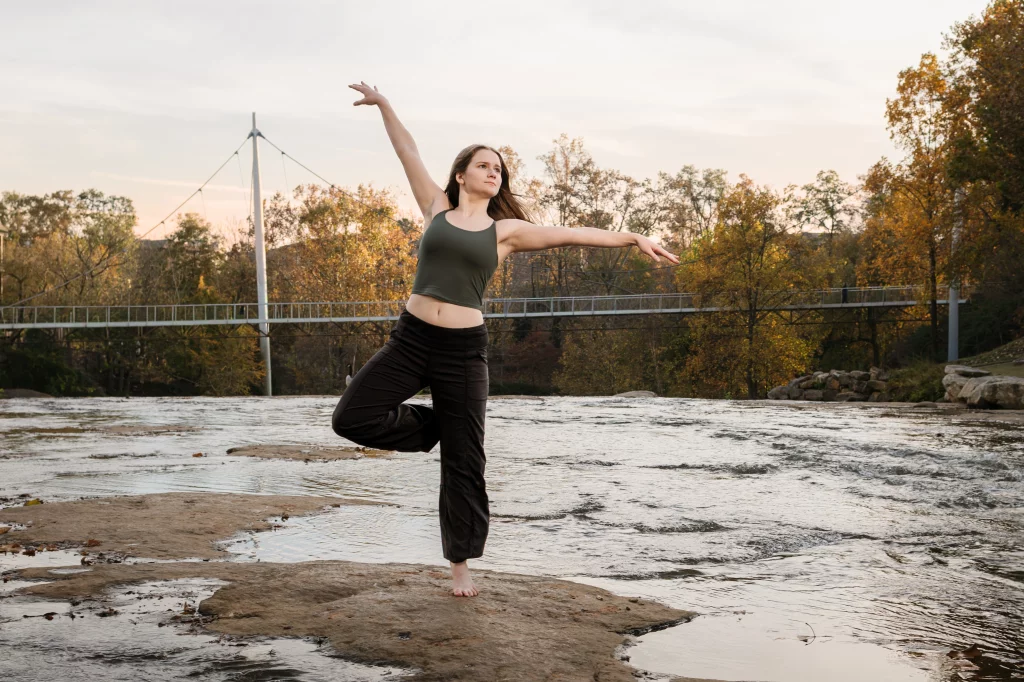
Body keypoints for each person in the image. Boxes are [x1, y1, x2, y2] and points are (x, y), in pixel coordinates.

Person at [331, 81, 679, 597]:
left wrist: (630, 238)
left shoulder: (505, 232)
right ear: (461, 174)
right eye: (484, 165)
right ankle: (435, 429)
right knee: (351, 417)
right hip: (409, 340)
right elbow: (406, 149)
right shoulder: (433, 207)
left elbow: (573, 232)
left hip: (462, 352)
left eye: (499, 169)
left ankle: (460, 566)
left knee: (466, 461)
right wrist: (385, 105)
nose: (494, 173)